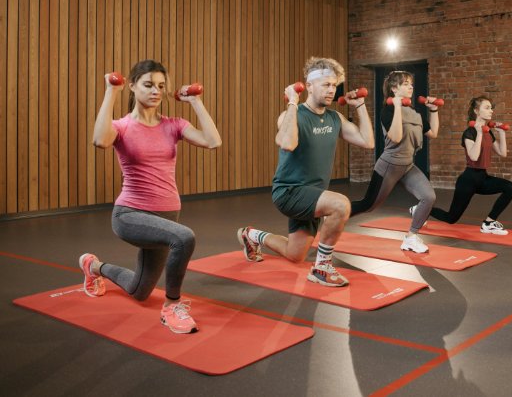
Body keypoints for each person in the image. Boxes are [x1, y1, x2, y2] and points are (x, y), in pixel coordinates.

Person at [79, 60, 222, 334]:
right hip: (130, 215)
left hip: (167, 216)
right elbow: (100, 140)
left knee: (140, 290)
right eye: (148, 85)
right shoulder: (121, 126)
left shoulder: (174, 125)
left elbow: (213, 141)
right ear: (132, 86)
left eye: (160, 86)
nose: (156, 91)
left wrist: (194, 101)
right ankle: (172, 307)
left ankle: (94, 266)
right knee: (184, 237)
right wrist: (111, 91)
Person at [237, 57, 374, 287]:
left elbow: (367, 141)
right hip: (289, 191)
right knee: (340, 205)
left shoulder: (334, 118)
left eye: (334, 85)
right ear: (309, 86)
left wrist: (359, 106)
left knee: (295, 254)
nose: (331, 90)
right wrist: (292, 102)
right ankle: (321, 268)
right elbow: (288, 143)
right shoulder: (292, 115)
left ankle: (250, 235)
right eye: (325, 84)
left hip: (312, 195)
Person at [349, 70, 440, 253]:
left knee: (429, 197)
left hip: (407, 166)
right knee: (368, 205)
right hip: (389, 166)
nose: (411, 87)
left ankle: (411, 237)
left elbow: (433, 133)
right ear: (394, 88)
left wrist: (434, 110)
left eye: (411, 84)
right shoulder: (387, 110)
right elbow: (396, 137)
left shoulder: (415, 114)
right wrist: (398, 107)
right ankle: (333, 213)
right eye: (406, 83)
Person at [429, 96, 512, 234]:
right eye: (487, 108)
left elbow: (502, 153)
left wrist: (502, 134)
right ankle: (422, 210)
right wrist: (479, 133)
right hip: (468, 180)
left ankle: (489, 222)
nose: (491, 111)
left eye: (491, 108)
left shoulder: (489, 132)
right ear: (476, 111)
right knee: (451, 218)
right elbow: (474, 156)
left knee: (510, 187)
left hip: (483, 179)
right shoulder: (469, 132)